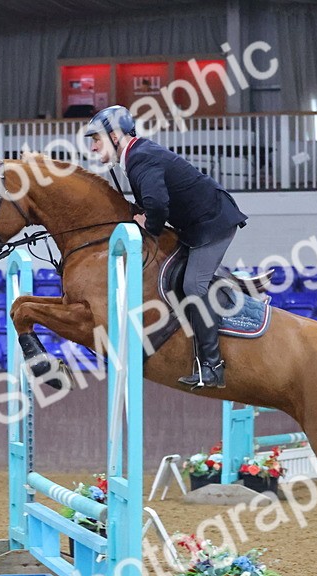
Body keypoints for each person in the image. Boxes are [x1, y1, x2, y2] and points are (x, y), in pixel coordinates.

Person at [84, 105, 247, 390]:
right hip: (196, 225)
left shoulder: (141, 158)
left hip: (213, 223)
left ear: (116, 135)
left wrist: (149, 225)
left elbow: (157, 205)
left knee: (194, 286)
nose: (94, 147)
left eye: (96, 139)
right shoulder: (135, 156)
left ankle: (213, 366)